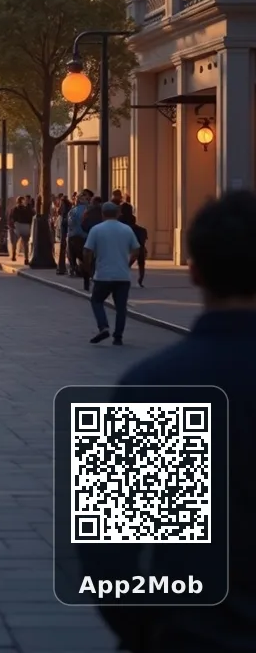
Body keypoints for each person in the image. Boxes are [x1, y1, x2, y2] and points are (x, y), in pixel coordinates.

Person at [96, 191, 256, 653]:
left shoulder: (150, 385)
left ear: (195, 271)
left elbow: (108, 553)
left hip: (195, 630)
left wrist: (148, 632)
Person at [83, 201, 139, 346]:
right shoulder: (126, 229)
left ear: (102, 214)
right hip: (122, 275)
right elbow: (136, 250)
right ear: (117, 214)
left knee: (97, 300)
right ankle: (118, 336)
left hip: (103, 274)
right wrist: (128, 263)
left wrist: (88, 268)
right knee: (121, 307)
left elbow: (87, 251)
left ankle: (103, 326)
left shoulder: (96, 230)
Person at [119, 200, 148, 287]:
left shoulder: (120, 218)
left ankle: (123, 273)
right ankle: (140, 279)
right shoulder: (132, 218)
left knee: (127, 261)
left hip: (125, 239)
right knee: (141, 261)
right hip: (137, 240)